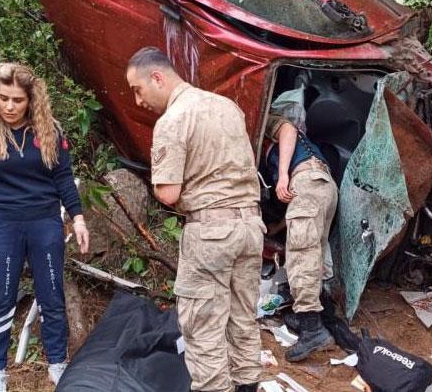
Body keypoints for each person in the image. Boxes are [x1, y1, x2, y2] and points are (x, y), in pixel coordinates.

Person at [125, 47, 264, 392]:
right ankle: (248, 384)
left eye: (137, 89)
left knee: (203, 327)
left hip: (211, 232)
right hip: (250, 226)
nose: (138, 101)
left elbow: (168, 194)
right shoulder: (226, 107)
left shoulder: (173, 120)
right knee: (243, 316)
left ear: (157, 77)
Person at [0, 63, 90, 392]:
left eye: (18, 100)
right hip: (2, 224)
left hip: (44, 222)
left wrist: (78, 217)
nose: (11, 107)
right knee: (1, 298)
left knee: (51, 296)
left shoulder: (50, 131)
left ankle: (58, 364)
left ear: (31, 99)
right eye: (4, 99)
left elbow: (62, 178)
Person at [261, 111, 338, 362]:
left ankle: (313, 329)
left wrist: (283, 174)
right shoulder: (306, 154)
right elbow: (302, 204)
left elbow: (287, 129)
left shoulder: (265, 119)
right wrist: (276, 228)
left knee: (302, 257)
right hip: (321, 185)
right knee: (312, 253)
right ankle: (316, 315)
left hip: (307, 180)